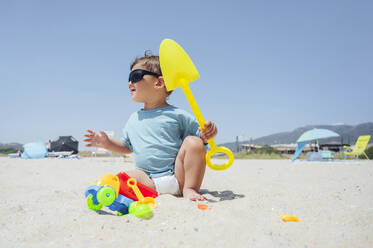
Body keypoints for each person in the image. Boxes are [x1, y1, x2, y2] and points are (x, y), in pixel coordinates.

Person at [83, 52, 217, 201]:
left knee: (193, 141)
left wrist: (206, 135)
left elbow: (198, 143)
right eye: (129, 78)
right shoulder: (134, 119)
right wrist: (107, 143)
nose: (129, 83)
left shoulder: (178, 115)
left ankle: (190, 189)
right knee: (118, 180)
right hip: (147, 177)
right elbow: (127, 146)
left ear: (159, 83)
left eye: (135, 77)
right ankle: (133, 190)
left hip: (178, 177)